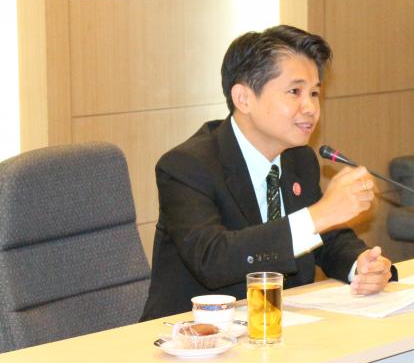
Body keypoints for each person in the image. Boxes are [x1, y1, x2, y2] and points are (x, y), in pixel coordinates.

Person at [141, 25, 395, 320]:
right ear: (244, 98)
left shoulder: (299, 159)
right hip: (197, 332)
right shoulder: (187, 166)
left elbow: (325, 238)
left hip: (283, 326)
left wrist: (360, 264)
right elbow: (213, 259)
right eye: (295, 92)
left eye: (314, 93)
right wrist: (320, 214)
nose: (311, 108)